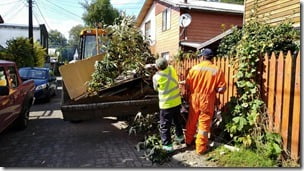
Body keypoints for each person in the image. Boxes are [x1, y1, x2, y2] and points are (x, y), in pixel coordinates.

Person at [184, 48, 226, 155]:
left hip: (194, 98)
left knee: (192, 121)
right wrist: (215, 89)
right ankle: (201, 148)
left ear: (202, 57)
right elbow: (222, 89)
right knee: (204, 124)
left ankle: (188, 141)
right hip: (207, 100)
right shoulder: (217, 70)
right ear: (211, 58)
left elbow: (187, 85)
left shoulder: (194, 69)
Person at [152, 57, 185, 152]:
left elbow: (155, 88)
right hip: (176, 102)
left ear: (157, 67)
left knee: (165, 125)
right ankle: (180, 137)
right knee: (177, 121)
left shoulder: (156, 77)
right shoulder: (172, 69)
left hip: (166, 105)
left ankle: (168, 146)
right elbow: (167, 66)